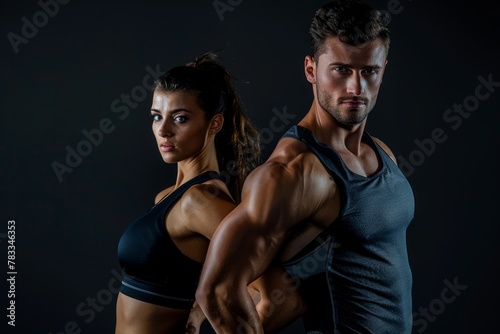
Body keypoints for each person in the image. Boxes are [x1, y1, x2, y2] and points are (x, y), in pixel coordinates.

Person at [196, 1, 415, 333]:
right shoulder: (292, 172)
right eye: (341, 70)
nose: (356, 88)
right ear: (311, 70)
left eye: (368, 71)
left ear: (383, 69)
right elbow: (218, 291)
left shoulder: (379, 151)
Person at [115, 53, 304, 334]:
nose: (163, 130)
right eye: (157, 116)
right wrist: (198, 312)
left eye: (179, 118)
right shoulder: (168, 197)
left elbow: (282, 297)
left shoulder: (201, 202)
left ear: (214, 124)